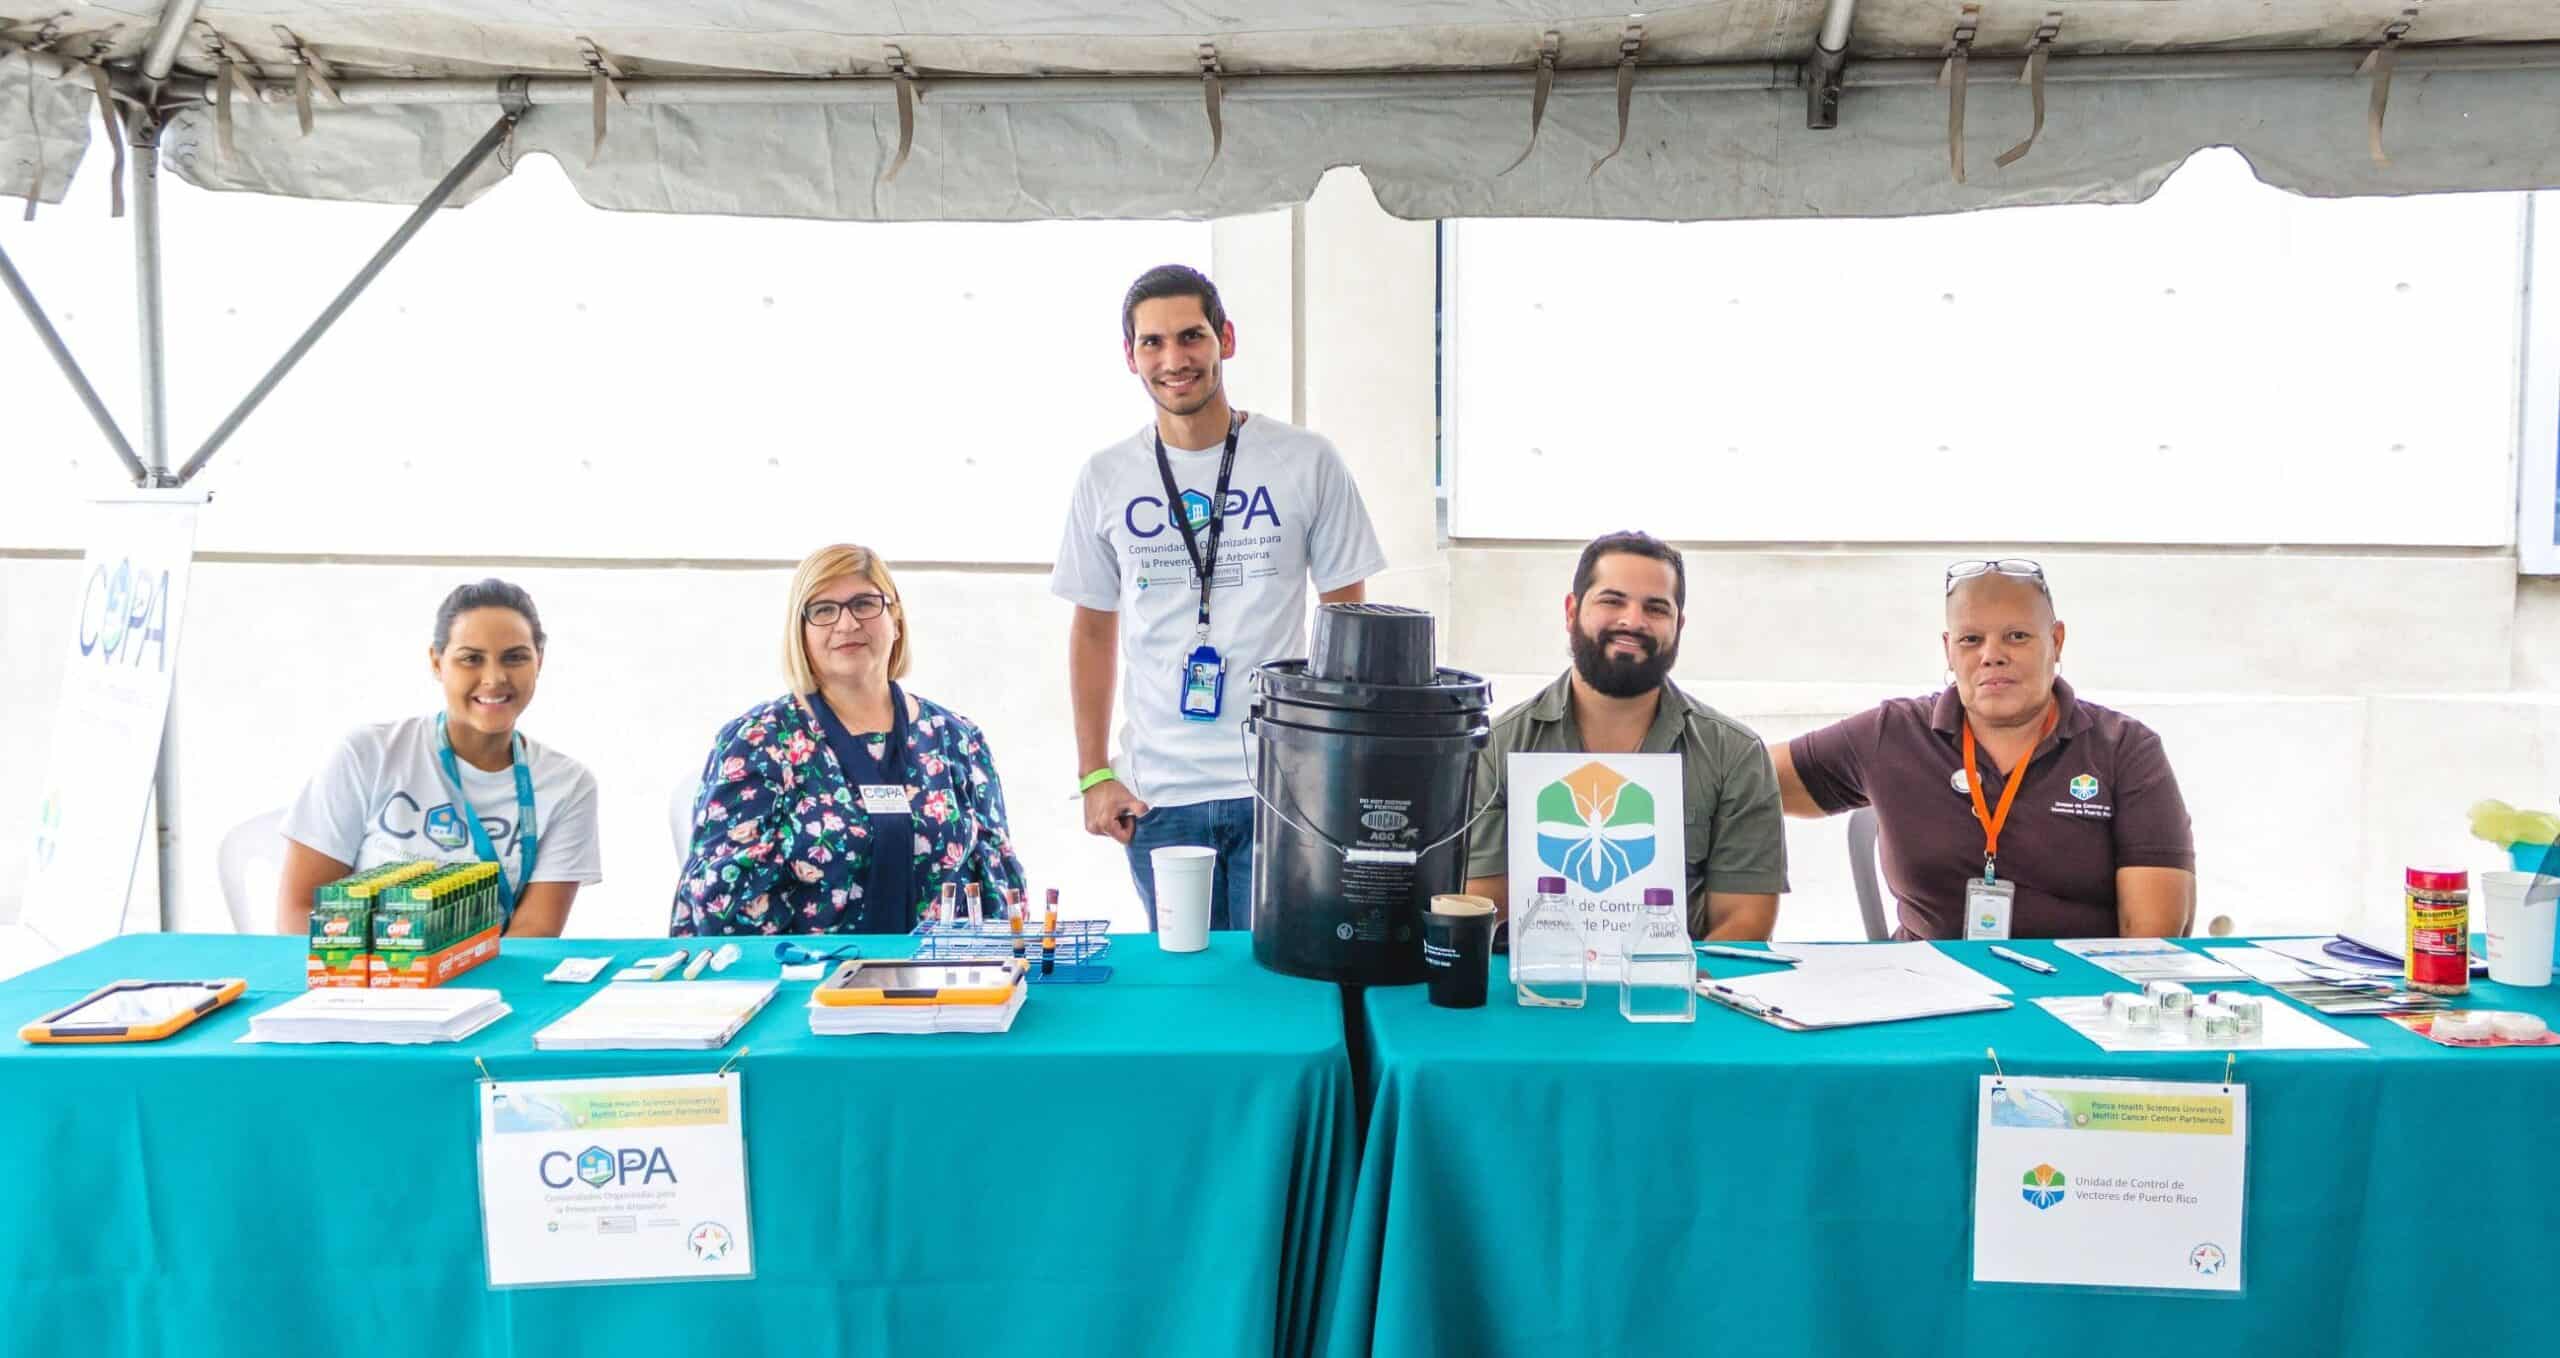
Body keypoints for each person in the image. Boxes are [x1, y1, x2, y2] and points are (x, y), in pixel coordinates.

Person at [1053, 264, 1386, 930]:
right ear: (1130, 357)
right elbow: (1092, 630)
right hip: (1159, 795)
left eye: (1190, 336)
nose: (1174, 360)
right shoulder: (1106, 477)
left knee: (1275, 990)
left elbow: (1346, 621)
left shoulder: (1304, 460)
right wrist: (1095, 776)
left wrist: (1337, 770)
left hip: (1281, 789)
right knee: (1192, 992)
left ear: (1225, 339)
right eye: (1152, 343)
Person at [1772, 558, 2196, 939]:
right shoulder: (1892, 734)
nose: (1992, 656)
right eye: (1971, 640)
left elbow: (2151, 942)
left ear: (2057, 641)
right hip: (1927, 997)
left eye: (2016, 636)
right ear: (1948, 650)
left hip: (2074, 996)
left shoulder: (2125, 748)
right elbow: (1747, 778)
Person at [673, 544, 1025, 936]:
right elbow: (718, 904)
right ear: (800, 631)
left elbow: (1000, 886)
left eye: (864, 604)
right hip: (806, 982)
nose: (847, 624)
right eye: (824, 610)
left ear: (896, 619)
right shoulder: (757, 742)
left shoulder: (956, 739)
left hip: (942, 978)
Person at [1462, 532, 1788, 939]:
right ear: (1571, 611)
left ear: (1678, 626)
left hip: (1676, 996)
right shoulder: (1495, 749)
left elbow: (1744, 921)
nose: (1633, 621)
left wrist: (1663, 984)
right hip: (1537, 995)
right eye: (1612, 601)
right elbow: (1484, 912)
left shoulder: (1736, 755)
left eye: (1655, 608)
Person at [276, 579, 600, 937]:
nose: (494, 678)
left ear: (539, 661)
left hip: (491, 981)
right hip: (366, 980)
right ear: (436, 662)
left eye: (515, 657)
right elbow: (298, 912)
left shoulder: (567, 784)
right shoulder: (368, 753)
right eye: (471, 659)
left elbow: (534, 932)